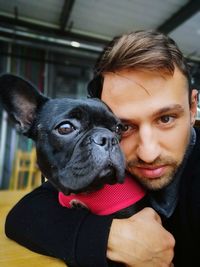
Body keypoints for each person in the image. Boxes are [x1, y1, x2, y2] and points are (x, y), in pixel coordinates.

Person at [5, 30, 200, 267]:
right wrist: (109, 237)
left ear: (192, 108)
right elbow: (24, 215)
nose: (148, 153)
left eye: (166, 119)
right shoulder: (108, 161)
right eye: (123, 127)